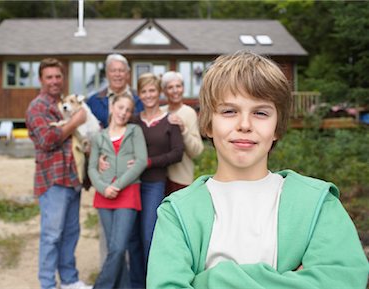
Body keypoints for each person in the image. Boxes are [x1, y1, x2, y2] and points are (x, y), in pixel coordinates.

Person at [147, 51, 369, 288]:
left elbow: (344, 280)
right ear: (209, 124)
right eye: (229, 111)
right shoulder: (177, 212)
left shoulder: (318, 203)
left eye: (260, 113)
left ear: (276, 126)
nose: (244, 125)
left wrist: (211, 279)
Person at [26, 58, 92, 289]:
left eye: (58, 76)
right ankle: (47, 284)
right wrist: (75, 121)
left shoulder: (64, 103)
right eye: (49, 77)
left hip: (72, 178)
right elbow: (47, 139)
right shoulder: (38, 107)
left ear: (63, 78)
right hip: (52, 181)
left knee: (71, 233)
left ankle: (69, 280)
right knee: (52, 236)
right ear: (41, 80)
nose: (54, 81)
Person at [128, 72, 184, 287]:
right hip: (131, 184)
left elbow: (177, 153)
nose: (149, 95)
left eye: (152, 90)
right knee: (132, 240)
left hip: (154, 184)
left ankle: (154, 283)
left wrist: (148, 162)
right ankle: (136, 284)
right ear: (139, 95)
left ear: (159, 92)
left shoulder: (170, 120)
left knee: (149, 237)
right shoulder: (133, 121)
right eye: (144, 91)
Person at [88, 94, 147, 289]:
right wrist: (104, 188)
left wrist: (118, 185)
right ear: (112, 107)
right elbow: (91, 169)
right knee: (116, 251)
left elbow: (140, 162)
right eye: (121, 107)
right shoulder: (99, 136)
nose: (124, 113)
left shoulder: (134, 131)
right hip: (104, 195)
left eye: (128, 110)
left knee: (119, 247)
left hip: (127, 193)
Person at [161, 71, 204, 195]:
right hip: (159, 178)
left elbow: (196, 151)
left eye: (178, 86)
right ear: (164, 92)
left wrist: (183, 130)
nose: (175, 90)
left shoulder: (189, 113)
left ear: (183, 88)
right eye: (170, 87)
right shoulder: (160, 112)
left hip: (181, 179)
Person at [87, 53, 144, 128]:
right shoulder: (93, 101)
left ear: (128, 74)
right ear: (107, 75)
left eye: (121, 70)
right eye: (113, 71)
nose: (117, 74)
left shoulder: (141, 99)